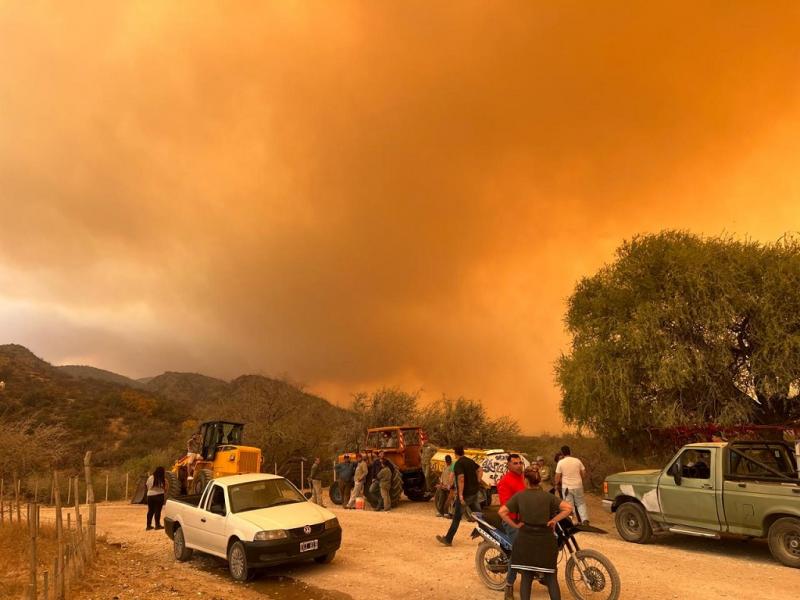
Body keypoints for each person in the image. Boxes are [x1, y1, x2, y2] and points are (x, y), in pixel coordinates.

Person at [499, 468, 573, 600]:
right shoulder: (548, 497)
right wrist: (554, 520)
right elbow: (568, 508)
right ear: (538, 481)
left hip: (526, 541)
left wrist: (515, 525)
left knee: (526, 577)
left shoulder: (519, 496)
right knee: (551, 577)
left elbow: (502, 512)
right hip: (546, 541)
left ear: (526, 481)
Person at [436, 445, 483, 546]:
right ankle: (489, 538)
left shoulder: (458, 464)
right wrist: (478, 481)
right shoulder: (470, 461)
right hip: (474, 494)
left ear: (455, 453)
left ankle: (448, 539)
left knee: (456, 518)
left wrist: (460, 495)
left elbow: (461, 479)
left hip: (465, 496)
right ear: (463, 452)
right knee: (480, 517)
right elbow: (480, 469)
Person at [497, 453, 526, 599]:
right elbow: (505, 506)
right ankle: (509, 585)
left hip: (526, 519)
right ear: (508, 465)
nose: (518, 465)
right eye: (515, 463)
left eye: (520, 463)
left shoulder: (522, 478)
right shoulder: (505, 481)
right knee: (519, 551)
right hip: (512, 521)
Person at [555, 445, 589, 524]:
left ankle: (574, 522)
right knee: (581, 502)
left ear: (562, 453)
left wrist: (556, 484)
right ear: (570, 451)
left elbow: (557, 475)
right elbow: (584, 472)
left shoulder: (561, 462)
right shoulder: (577, 460)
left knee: (569, 504)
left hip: (566, 487)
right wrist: (580, 479)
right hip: (578, 485)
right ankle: (585, 520)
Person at [145, 466, 168, 531]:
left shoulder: (150, 477)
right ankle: (157, 525)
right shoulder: (162, 479)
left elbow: (147, 485)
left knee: (150, 511)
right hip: (159, 495)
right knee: (158, 510)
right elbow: (165, 488)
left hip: (150, 495)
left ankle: (148, 526)